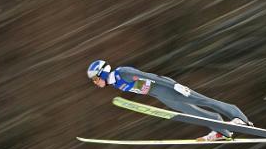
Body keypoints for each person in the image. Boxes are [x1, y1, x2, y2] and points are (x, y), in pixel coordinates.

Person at [87, 60, 253, 141]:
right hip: (161, 95)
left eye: (95, 79)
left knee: (203, 101)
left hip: (167, 88)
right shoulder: (115, 83)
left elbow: (151, 77)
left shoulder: (122, 73)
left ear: (101, 73)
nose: (95, 82)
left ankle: (240, 118)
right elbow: (144, 87)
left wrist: (175, 85)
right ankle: (222, 130)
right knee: (192, 112)